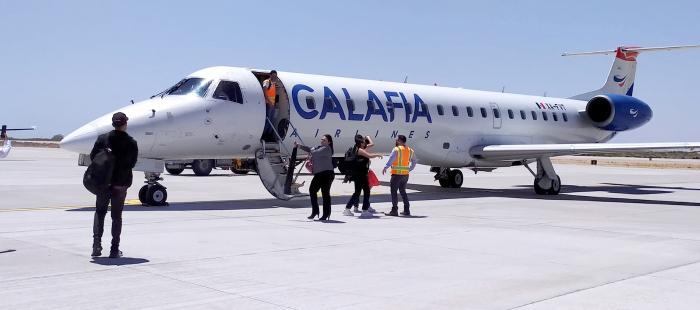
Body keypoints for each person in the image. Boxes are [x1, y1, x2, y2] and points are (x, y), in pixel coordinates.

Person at [90, 112, 138, 258]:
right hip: (120, 184)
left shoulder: (102, 139)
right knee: (116, 216)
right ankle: (114, 249)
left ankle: (96, 246)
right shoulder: (131, 142)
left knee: (100, 212)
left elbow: (93, 157)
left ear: (113, 123)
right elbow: (132, 163)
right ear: (125, 124)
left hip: (103, 183)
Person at [295, 134, 335, 221]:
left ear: (329, 142)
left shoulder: (327, 148)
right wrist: (299, 146)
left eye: (324, 140)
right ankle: (315, 211)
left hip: (326, 173)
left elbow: (315, 153)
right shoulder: (319, 147)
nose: (322, 141)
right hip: (319, 173)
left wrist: (312, 150)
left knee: (325, 193)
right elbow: (310, 149)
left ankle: (326, 214)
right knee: (312, 190)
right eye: (321, 139)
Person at [343, 135, 382, 218]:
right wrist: (378, 155)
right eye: (364, 142)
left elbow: (371, 145)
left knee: (357, 192)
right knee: (366, 191)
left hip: (358, 174)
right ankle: (364, 210)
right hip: (362, 175)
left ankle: (347, 209)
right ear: (361, 143)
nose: (365, 143)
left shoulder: (355, 149)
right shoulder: (360, 150)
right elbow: (370, 156)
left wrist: (368, 138)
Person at [382, 135, 417, 216]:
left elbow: (391, 159)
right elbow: (414, 161)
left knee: (394, 192)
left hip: (396, 174)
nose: (396, 141)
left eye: (397, 140)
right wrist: (409, 169)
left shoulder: (396, 149)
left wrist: (386, 167)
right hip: (405, 175)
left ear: (400, 141)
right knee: (403, 191)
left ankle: (394, 210)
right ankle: (406, 209)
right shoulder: (410, 150)